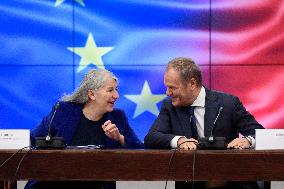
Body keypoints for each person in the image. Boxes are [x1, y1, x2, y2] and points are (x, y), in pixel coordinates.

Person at [144, 57, 264, 189]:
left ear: (192, 83)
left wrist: (248, 141)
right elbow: (151, 137)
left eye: (172, 87)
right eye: (167, 87)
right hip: (190, 183)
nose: (167, 93)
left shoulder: (228, 103)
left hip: (229, 182)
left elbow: (259, 133)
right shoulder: (170, 106)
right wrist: (180, 140)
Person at [25, 69, 144, 189]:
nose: (116, 96)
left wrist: (120, 138)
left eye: (116, 89)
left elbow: (141, 152)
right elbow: (33, 140)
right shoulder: (63, 111)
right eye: (110, 90)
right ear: (91, 94)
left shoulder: (117, 118)